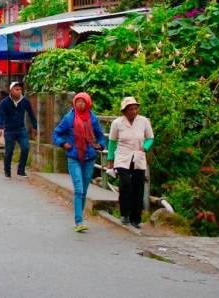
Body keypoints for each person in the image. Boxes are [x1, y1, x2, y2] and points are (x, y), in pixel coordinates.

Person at [53, 92, 106, 233]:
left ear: (88, 103)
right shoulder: (69, 118)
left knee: (84, 190)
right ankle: (79, 221)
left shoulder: (93, 119)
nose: (80, 104)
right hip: (74, 157)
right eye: (78, 101)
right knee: (79, 189)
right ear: (74, 103)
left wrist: (101, 145)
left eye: (83, 102)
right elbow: (56, 133)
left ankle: (80, 217)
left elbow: (101, 136)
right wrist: (63, 144)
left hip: (89, 157)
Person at [108, 97, 154, 228]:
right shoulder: (117, 123)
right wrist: (110, 160)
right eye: (130, 109)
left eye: (135, 108)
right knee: (126, 183)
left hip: (138, 156)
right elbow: (112, 142)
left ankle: (136, 219)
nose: (133, 111)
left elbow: (150, 138)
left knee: (138, 187)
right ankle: (124, 214)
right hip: (122, 157)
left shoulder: (143, 121)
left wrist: (145, 147)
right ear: (124, 111)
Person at [0, 82, 38, 179]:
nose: (19, 91)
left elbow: (31, 114)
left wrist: (35, 126)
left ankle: (21, 170)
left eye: (20, 89)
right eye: (16, 89)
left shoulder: (25, 101)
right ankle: (7, 172)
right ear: (11, 90)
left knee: (26, 148)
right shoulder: (4, 102)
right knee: (9, 152)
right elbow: (0, 115)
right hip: (9, 130)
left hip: (21, 129)